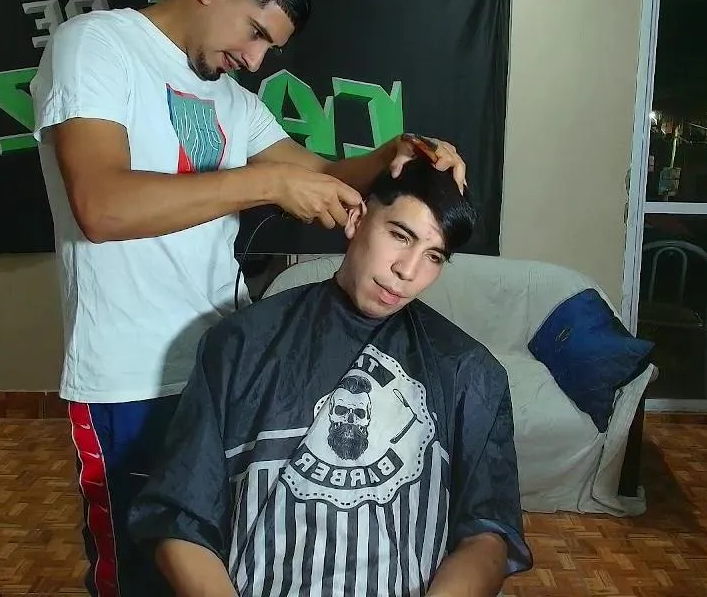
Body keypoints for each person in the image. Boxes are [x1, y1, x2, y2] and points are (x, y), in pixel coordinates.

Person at [30, 0, 469, 597]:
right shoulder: (97, 46)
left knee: (216, 557)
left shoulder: (233, 100)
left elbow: (322, 176)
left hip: (227, 370)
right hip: (130, 377)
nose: (256, 59)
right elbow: (102, 206)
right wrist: (264, 184)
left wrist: (394, 154)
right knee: (141, 570)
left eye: (270, 47)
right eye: (256, 33)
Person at [129, 160, 533, 597]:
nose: (408, 270)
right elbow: (180, 519)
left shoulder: (469, 372)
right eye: (400, 235)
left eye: (433, 256)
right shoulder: (239, 345)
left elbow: (488, 535)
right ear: (356, 219)